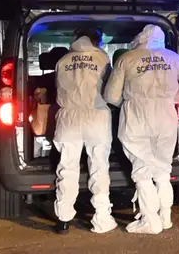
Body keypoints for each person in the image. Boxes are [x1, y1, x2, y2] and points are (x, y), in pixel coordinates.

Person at [104, 25, 179, 234]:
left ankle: (150, 220)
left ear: (141, 37)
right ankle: (165, 217)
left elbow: (111, 96)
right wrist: (171, 100)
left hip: (137, 118)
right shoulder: (174, 58)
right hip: (166, 118)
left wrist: (129, 104)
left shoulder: (127, 59)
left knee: (142, 171)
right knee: (163, 170)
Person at [52, 28, 116, 234]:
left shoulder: (63, 61)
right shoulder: (102, 58)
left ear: (76, 38)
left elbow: (58, 88)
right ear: (96, 40)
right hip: (96, 116)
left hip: (69, 118)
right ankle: (101, 218)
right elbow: (111, 89)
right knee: (99, 168)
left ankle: (63, 219)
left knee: (67, 168)